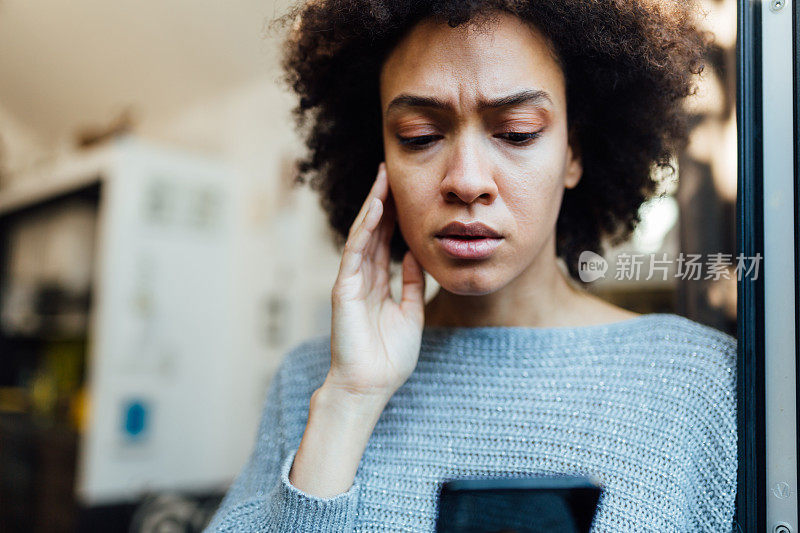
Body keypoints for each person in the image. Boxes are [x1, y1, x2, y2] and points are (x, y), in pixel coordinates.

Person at [205, 1, 736, 531]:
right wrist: (349, 403)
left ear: (573, 152)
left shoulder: (695, 379)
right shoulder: (312, 384)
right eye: (419, 136)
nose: (466, 180)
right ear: (380, 156)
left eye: (517, 132)